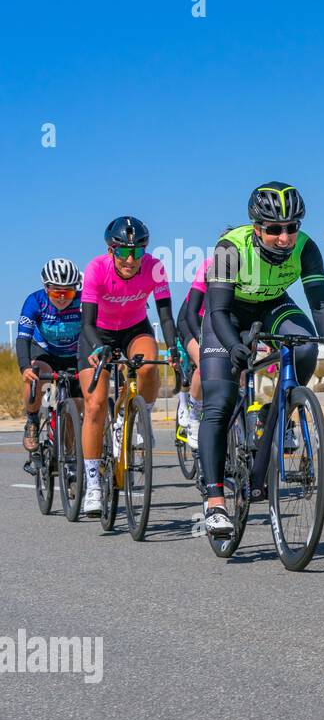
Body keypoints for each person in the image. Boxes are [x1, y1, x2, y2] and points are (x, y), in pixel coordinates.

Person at [198, 182, 324, 536]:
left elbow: (319, 305)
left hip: (272, 304)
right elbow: (218, 310)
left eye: (291, 227)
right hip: (227, 315)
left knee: (304, 347)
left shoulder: (307, 248)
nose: (284, 237)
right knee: (220, 400)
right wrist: (234, 346)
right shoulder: (230, 248)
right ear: (256, 227)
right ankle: (214, 501)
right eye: (274, 230)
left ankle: (276, 416)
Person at [78, 217, 177, 518]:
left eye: (138, 252)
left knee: (147, 366)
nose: (131, 260)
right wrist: (97, 347)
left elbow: (166, 316)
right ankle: (94, 485)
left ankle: (135, 416)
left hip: (135, 328)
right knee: (95, 405)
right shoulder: (96, 269)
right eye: (123, 253)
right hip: (98, 333)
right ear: (111, 251)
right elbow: (86, 322)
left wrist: (175, 349)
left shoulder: (155, 268)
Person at [16, 259, 83, 458]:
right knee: (36, 375)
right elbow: (22, 338)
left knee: (75, 407)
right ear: (46, 288)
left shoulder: (83, 301)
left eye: (68, 292)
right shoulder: (35, 301)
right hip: (45, 352)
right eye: (56, 292)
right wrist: (24, 367)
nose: (62, 298)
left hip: (74, 355)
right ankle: (33, 420)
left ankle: (70, 461)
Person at [175, 255, 213, 448]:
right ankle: (194, 414)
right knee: (205, 364)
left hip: (215, 320)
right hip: (191, 319)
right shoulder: (209, 265)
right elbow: (191, 314)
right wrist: (201, 341)